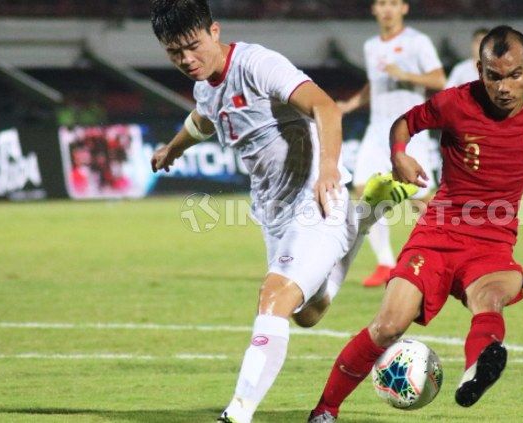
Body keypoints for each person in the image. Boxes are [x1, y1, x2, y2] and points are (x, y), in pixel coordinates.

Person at [307, 25, 523, 422]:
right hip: (438, 232)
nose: (504, 86)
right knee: (388, 326)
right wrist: (399, 154)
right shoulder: (455, 103)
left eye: (514, 74)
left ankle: (475, 372)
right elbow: (405, 122)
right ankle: (325, 410)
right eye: (494, 75)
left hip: (493, 241)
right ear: (479, 71)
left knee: (490, 299)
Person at [148, 2, 415, 422]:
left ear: (214, 31)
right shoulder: (205, 86)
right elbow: (203, 119)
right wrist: (172, 148)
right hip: (273, 212)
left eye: (193, 46)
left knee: (272, 298)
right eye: (174, 52)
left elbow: (324, 107)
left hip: (316, 198)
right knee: (306, 313)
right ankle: (365, 216)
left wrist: (328, 167)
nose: (186, 59)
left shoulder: (258, 64)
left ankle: (238, 411)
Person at [337, 0, 446, 287]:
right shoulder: (371, 45)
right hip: (377, 130)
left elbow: (439, 79)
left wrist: (405, 75)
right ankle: (386, 262)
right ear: (374, 9)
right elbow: (374, 84)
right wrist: (349, 105)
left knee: (419, 198)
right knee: (363, 191)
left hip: (410, 128)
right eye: (382, 4)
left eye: (393, 3)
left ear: (404, 8)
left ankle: (444, 255)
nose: (387, 9)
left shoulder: (417, 42)